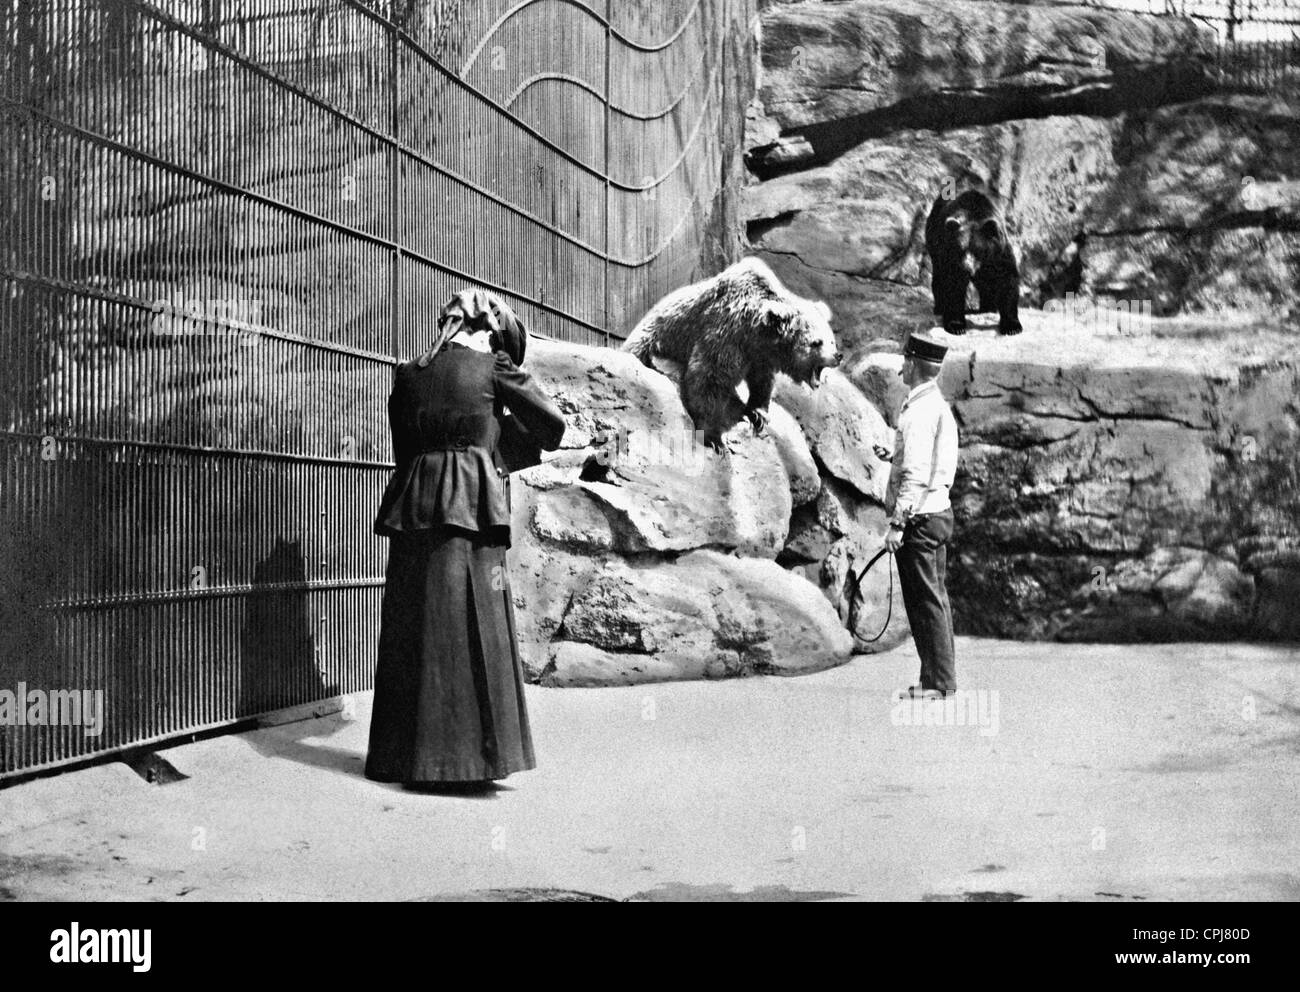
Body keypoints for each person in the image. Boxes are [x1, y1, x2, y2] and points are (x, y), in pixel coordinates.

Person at [365, 289, 565, 791]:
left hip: (414, 509)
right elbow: (552, 426)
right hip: (471, 509)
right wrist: (493, 440)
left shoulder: (408, 374)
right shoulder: (494, 367)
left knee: (415, 629)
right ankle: (470, 763)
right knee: (476, 628)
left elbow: (405, 447)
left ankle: (403, 759)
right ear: (492, 332)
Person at [872, 332, 959, 700]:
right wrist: (893, 454)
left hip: (920, 521)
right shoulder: (934, 405)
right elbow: (926, 462)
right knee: (935, 599)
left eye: (904, 361)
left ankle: (939, 683)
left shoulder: (919, 412)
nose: (900, 367)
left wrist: (897, 525)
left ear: (912, 364)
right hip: (939, 511)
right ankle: (936, 680)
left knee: (925, 603)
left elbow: (918, 475)